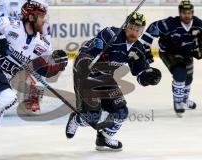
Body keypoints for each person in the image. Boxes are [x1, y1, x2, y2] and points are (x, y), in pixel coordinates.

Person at [0, 1, 67, 159]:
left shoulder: (41, 44)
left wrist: (57, 65)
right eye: (41, 17)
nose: (44, 21)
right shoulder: (11, 24)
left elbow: (44, 70)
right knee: (8, 97)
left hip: (0, 80)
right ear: (31, 17)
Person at [65, 12, 161, 151]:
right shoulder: (111, 34)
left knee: (121, 112)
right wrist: (87, 61)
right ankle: (75, 119)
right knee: (91, 117)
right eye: (131, 27)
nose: (134, 32)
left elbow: (140, 74)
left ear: (141, 32)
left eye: (138, 30)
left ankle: (104, 138)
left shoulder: (138, 49)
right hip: (86, 75)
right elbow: (86, 51)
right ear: (126, 26)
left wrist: (149, 77)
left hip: (105, 78)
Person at [140, 0, 202, 117]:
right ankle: (178, 102)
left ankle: (184, 100)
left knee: (188, 79)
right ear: (180, 13)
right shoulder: (170, 23)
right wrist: (146, 50)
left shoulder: (198, 24)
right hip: (169, 53)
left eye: (189, 13)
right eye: (184, 13)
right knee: (180, 73)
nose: (187, 15)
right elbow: (152, 28)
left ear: (192, 13)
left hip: (187, 54)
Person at [0, 0, 52, 112]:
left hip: (33, 39)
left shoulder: (41, 2)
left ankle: (32, 94)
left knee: (39, 63)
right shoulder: (6, 2)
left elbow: (44, 25)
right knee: (6, 72)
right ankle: (2, 92)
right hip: (11, 40)